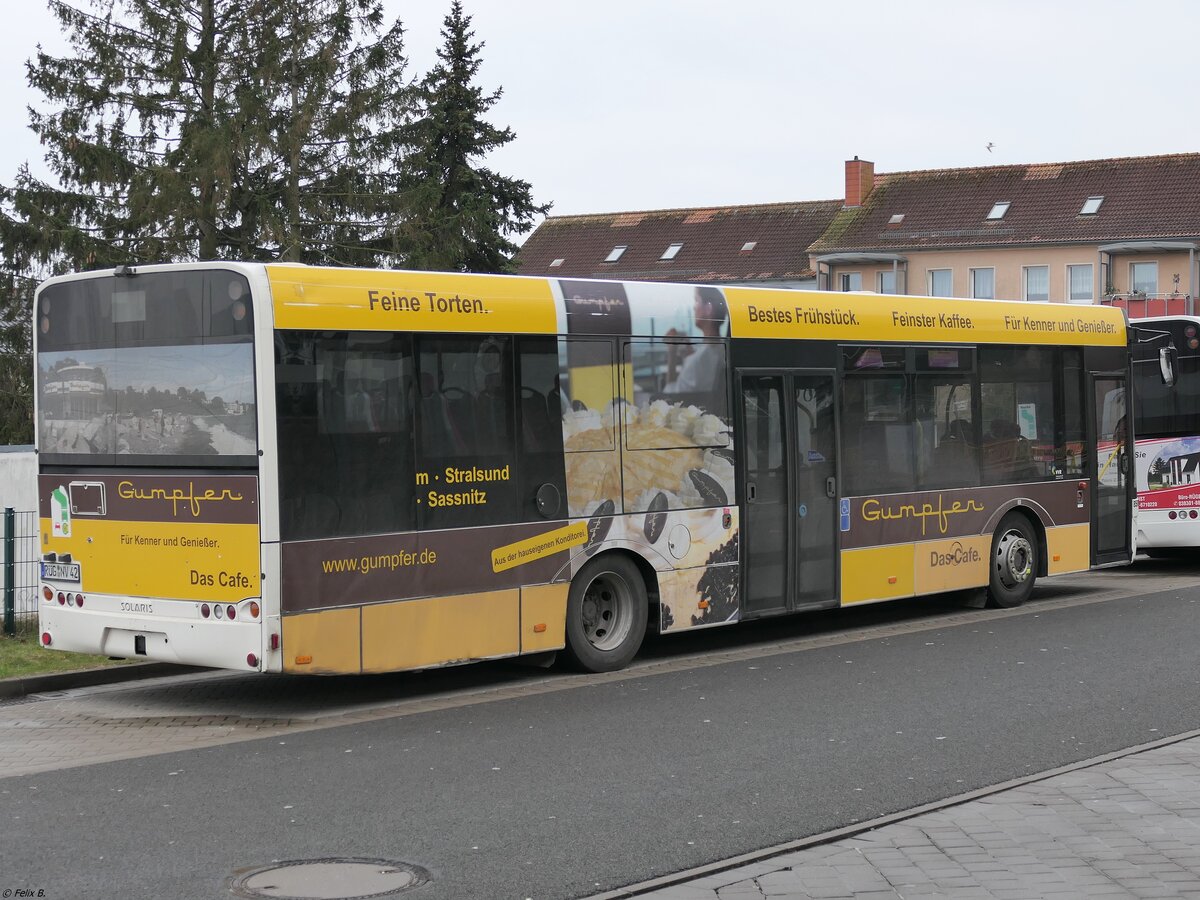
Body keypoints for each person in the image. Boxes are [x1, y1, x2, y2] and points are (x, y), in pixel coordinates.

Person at [664, 286, 728, 394]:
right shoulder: (723, 350)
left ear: (708, 309)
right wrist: (690, 356)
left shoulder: (698, 361)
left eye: (697, 301)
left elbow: (670, 395)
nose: (694, 307)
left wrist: (672, 352)